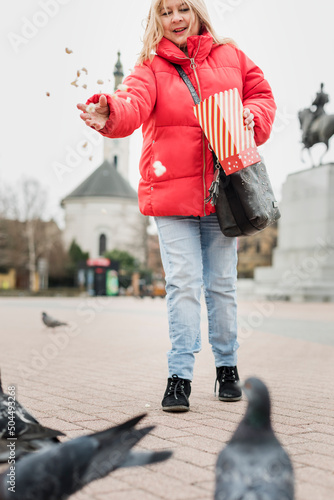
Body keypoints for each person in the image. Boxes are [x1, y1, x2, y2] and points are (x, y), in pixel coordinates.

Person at [77, 0, 276, 412]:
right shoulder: (149, 68)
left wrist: (250, 116)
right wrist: (109, 111)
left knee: (221, 286)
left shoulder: (231, 55)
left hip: (223, 194)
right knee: (184, 285)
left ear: (197, 11)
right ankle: (179, 376)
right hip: (171, 196)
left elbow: (261, 95)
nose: (176, 19)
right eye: (166, 12)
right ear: (158, 20)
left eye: (182, 8)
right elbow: (130, 104)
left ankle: (227, 368)